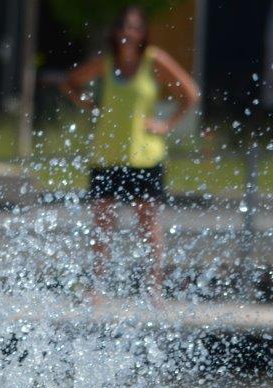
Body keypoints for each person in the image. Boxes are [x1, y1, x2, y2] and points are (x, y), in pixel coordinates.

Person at [62, 6, 200, 301]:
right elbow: (70, 83)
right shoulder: (105, 64)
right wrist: (89, 105)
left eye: (135, 28)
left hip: (145, 156)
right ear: (115, 32)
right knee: (102, 224)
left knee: (148, 224)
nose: (129, 33)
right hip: (106, 154)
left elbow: (191, 94)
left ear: (143, 33)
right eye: (125, 27)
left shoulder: (154, 61)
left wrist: (166, 124)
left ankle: (154, 288)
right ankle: (97, 286)